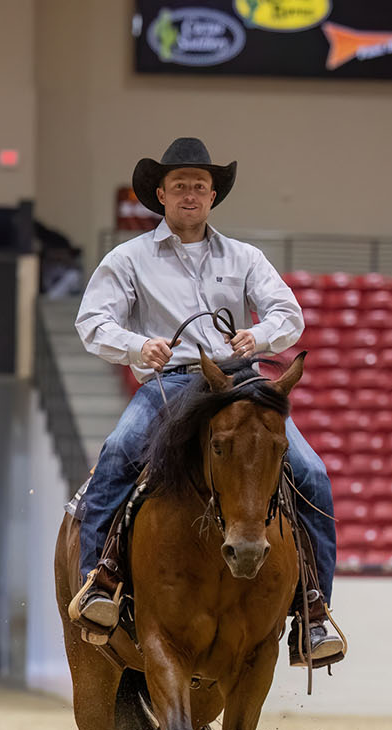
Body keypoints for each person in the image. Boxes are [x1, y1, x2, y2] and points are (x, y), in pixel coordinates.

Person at [67, 136, 342, 667]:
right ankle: (99, 581)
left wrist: (257, 337)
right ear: (161, 195)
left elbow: (288, 315)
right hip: (169, 383)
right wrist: (137, 346)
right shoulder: (128, 258)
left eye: (199, 185)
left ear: (213, 195)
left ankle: (313, 609)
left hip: (237, 383)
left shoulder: (245, 257)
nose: (189, 194)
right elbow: (92, 322)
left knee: (312, 472)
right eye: (179, 186)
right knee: (119, 452)